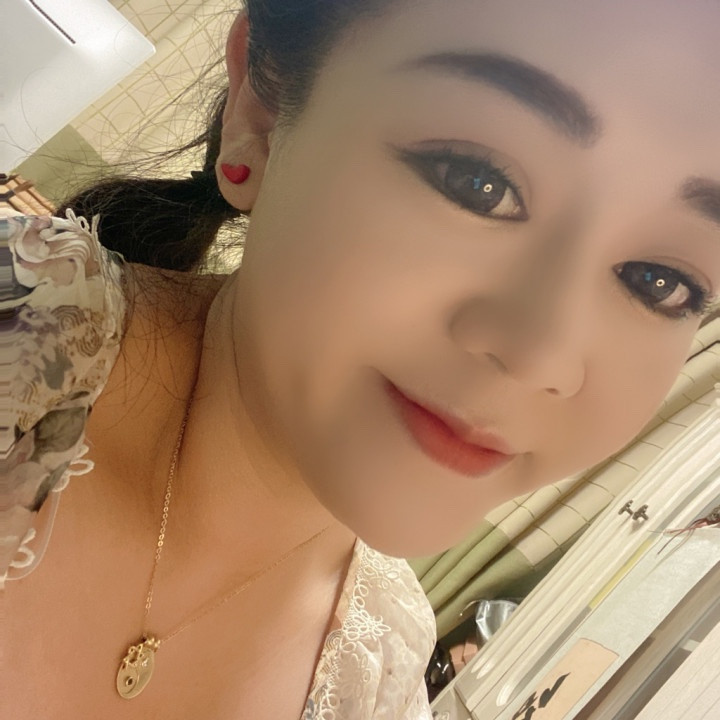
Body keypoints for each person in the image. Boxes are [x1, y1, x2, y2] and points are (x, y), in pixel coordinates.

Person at [4, 0, 720, 717]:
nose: (542, 356)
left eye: (660, 282)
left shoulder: (381, 677)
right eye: (477, 181)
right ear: (259, 113)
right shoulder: (17, 327)